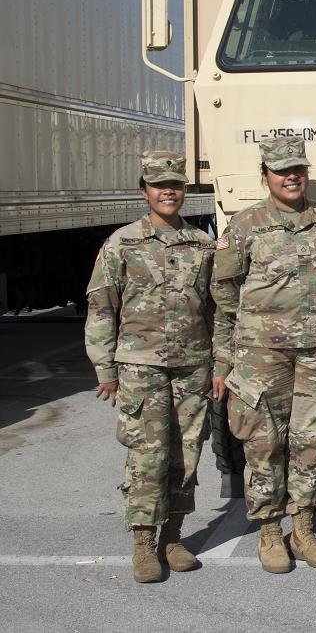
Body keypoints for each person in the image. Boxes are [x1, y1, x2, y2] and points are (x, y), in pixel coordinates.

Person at [210, 135, 316, 574]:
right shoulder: (245, 223)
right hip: (261, 353)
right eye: (282, 170)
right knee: (263, 441)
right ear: (265, 175)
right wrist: (238, 341)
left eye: (299, 169)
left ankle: (304, 530)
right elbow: (224, 288)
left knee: (314, 440)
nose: (292, 176)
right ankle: (270, 531)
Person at [85, 151, 219, 583]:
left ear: (185, 190)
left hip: (192, 365)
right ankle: (143, 543)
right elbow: (101, 307)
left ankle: (173, 538)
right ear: (144, 191)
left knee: (188, 453)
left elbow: (219, 310)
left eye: (176, 184)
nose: (168, 191)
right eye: (159, 185)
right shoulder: (122, 243)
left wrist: (221, 361)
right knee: (147, 456)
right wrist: (104, 368)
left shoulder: (202, 244)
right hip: (140, 367)